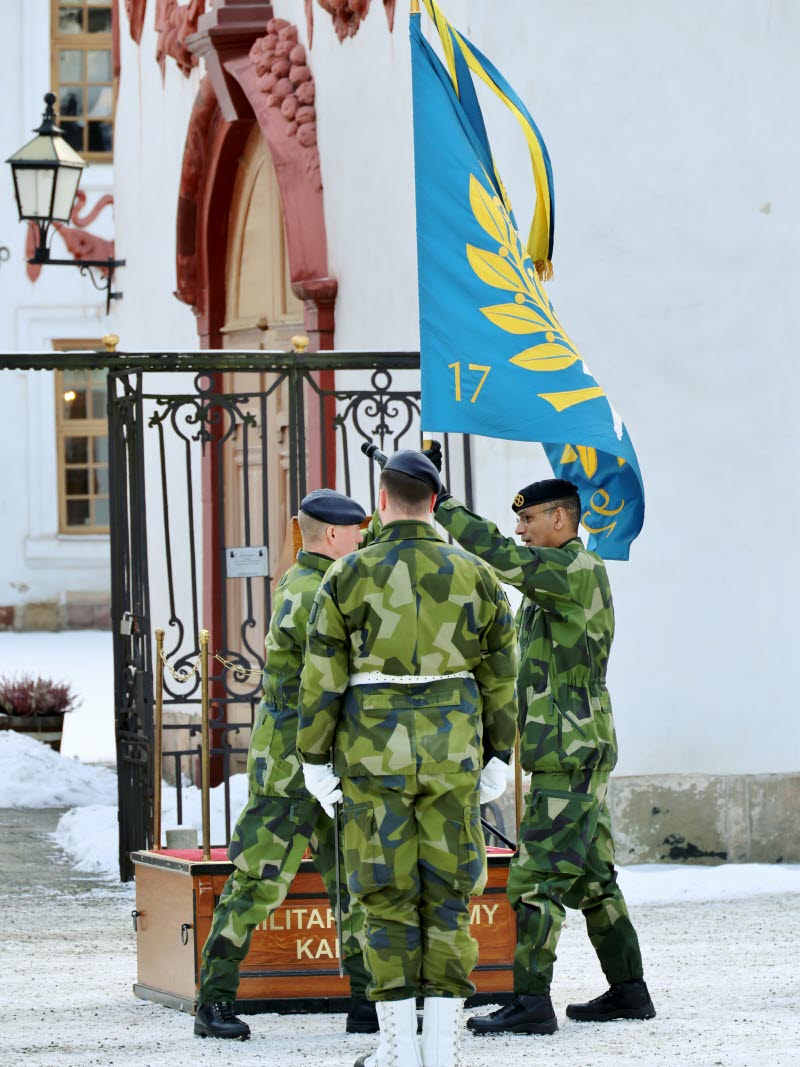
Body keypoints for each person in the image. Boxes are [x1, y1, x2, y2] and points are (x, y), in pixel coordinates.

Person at [297, 451, 518, 1067]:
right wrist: (500, 753)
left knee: (386, 895)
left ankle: (400, 1049)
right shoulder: (476, 574)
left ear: (382, 498)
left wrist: (314, 761)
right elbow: (503, 675)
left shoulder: (345, 575)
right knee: (448, 895)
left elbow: (321, 680)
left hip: (372, 758)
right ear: (433, 499)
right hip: (454, 757)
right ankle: (440, 1049)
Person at [424, 446, 655, 1034]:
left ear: (561, 519)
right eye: (518, 521)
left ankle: (531, 1001)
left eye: (528, 520)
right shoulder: (557, 582)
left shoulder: (572, 572)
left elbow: (497, 555)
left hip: (570, 754)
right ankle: (629, 991)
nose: (519, 530)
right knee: (594, 878)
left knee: (533, 880)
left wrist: (441, 502)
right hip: (575, 749)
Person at [194, 489, 377, 1041]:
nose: (362, 539)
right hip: (291, 764)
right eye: (356, 532)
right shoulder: (312, 589)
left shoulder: (321, 582)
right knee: (257, 879)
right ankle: (214, 1000)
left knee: (351, 878)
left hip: (327, 755)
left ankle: (367, 1000)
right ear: (330, 536)